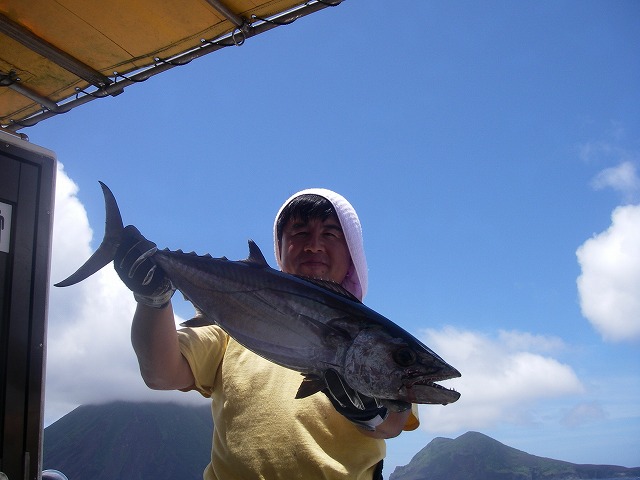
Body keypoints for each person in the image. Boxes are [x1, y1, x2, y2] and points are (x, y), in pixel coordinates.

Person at [114, 188, 419, 480]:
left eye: (330, 233)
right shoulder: (230, 328)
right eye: (300, 232)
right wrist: (153, 300)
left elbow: (394, 423)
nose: (314, 245)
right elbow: (161, 374)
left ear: (352, 250)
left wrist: (372, 414)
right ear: (280, 248)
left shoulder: (376, 339)